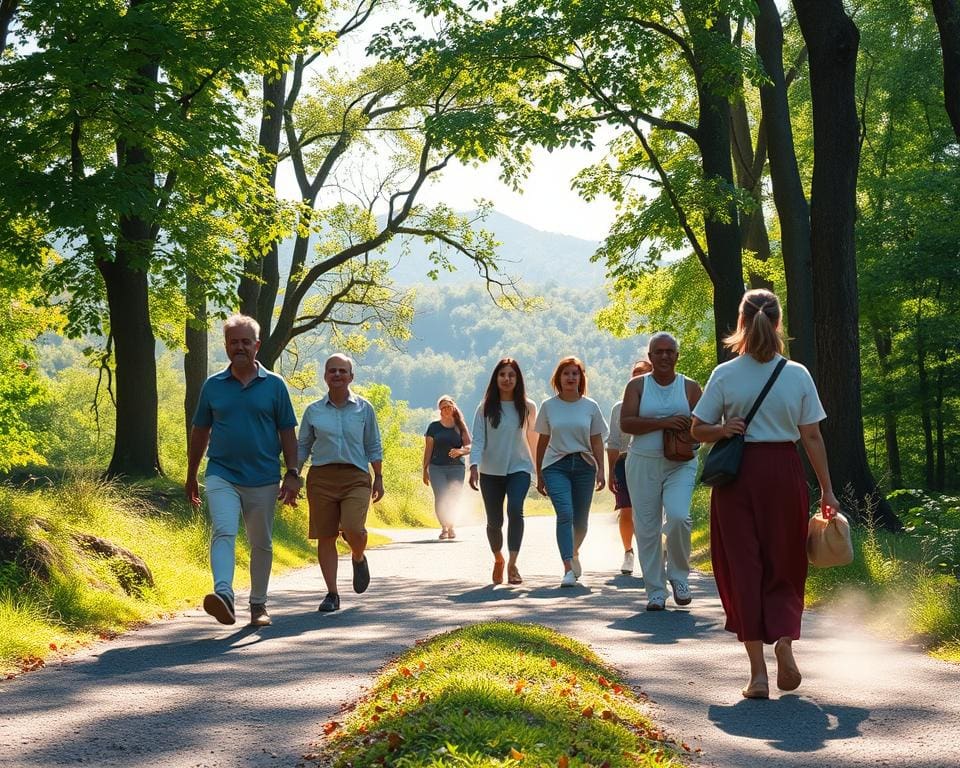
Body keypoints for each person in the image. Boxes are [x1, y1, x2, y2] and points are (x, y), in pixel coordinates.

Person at [691, 289, 838, 700]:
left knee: (743, 567)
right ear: (777, 323)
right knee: (785, 561)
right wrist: (827, 489)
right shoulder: (797, 374)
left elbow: (696, 430)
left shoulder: (725, 374)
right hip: (784, 474)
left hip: (737, 479)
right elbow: (811, 435)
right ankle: (785, 644)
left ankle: (757, 675)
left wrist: (723, 430)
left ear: (741, 322)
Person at [186, 314, 300, 628]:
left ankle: (258, 605)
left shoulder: (274, 386)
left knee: (261, 542)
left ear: (257, 345)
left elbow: (288, 432)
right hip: (221, 472)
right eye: (233, 342)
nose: (240, 347)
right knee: (223, 530)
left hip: (263, 477)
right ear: (225, 346)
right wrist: (192, 474)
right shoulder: (213, 386)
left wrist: (292, 472)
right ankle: (223, 594)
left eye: (245, 342)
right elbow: (200, 432)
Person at [620, 332, 702, 611]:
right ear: (650, 357)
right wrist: (665, 422)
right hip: (642, 462)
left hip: (681, 463)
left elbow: (704, 424)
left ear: (677, 356)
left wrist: (690, 429)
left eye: (670, 351)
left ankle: (679, 577)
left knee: (679, 517)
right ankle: (655, 590)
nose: (665, 356)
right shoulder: (637, 386)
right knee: (647, 528)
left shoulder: (690, 387)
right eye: (659, 352)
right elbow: (627, 423)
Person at [297, 354, 385, 613]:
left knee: (353, 528)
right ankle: (332, 594)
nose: (337, 375)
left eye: (342, 371)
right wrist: (294, 473)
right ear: (325, 376)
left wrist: (378, 476)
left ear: (351, 376)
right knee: (325, 536)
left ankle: (358, 556)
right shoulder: (313, 410)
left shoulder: (364, 408)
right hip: (321, 477)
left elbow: (373, 444)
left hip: (355, 476)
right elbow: (303, 445)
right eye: (332, 371)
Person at [535, 356, 608, 588]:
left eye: (575, 373)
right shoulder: (548, 406)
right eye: (566, 373)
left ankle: (574, 551)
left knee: (582, 523)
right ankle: (567, 567)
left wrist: (601, 470)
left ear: (581, 378)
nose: (570, 377)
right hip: (556, 465)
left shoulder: (590, 406)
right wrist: (539, 474)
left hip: (585, 465)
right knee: (565, 514)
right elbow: (542, 442)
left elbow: (597, 441)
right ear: (558, 378)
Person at [468, 358, 538, 585]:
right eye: (502, 375)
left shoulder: (528, 407)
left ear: (518, 380)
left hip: (519, 468)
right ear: (496, 379)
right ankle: (499, 558)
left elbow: (533, 439)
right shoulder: (485, 407)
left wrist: (539, 471)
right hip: (491, 471)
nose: (507, 379)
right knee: (494, 521)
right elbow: (478, 440)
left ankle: (513, 564)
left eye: (511, 375)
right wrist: (474, 466)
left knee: (516, 509)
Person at [607, 358, 653, 575]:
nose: (638, 376)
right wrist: (610, 473)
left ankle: (652, 552)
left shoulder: (658, 405)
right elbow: (613, 442)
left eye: (643, 373)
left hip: (652, 462)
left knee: (649, 510)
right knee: (626, 509)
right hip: (624, 464)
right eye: (635, 372)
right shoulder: (620, 407)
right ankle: (628, 552)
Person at [422, 395, 472, 540]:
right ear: (440, 411)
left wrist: (460, 451)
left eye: (449, 406)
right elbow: (428, 450)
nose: (446, 409)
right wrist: (424, 470)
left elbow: (469, 446)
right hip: (436, 467)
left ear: (454, 407)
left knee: (454, 497)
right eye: (443, 407)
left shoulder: (460, 426)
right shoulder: (434, 427)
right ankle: (444, 527)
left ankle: (451, 526)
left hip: (456, 468)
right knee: (441, 496)